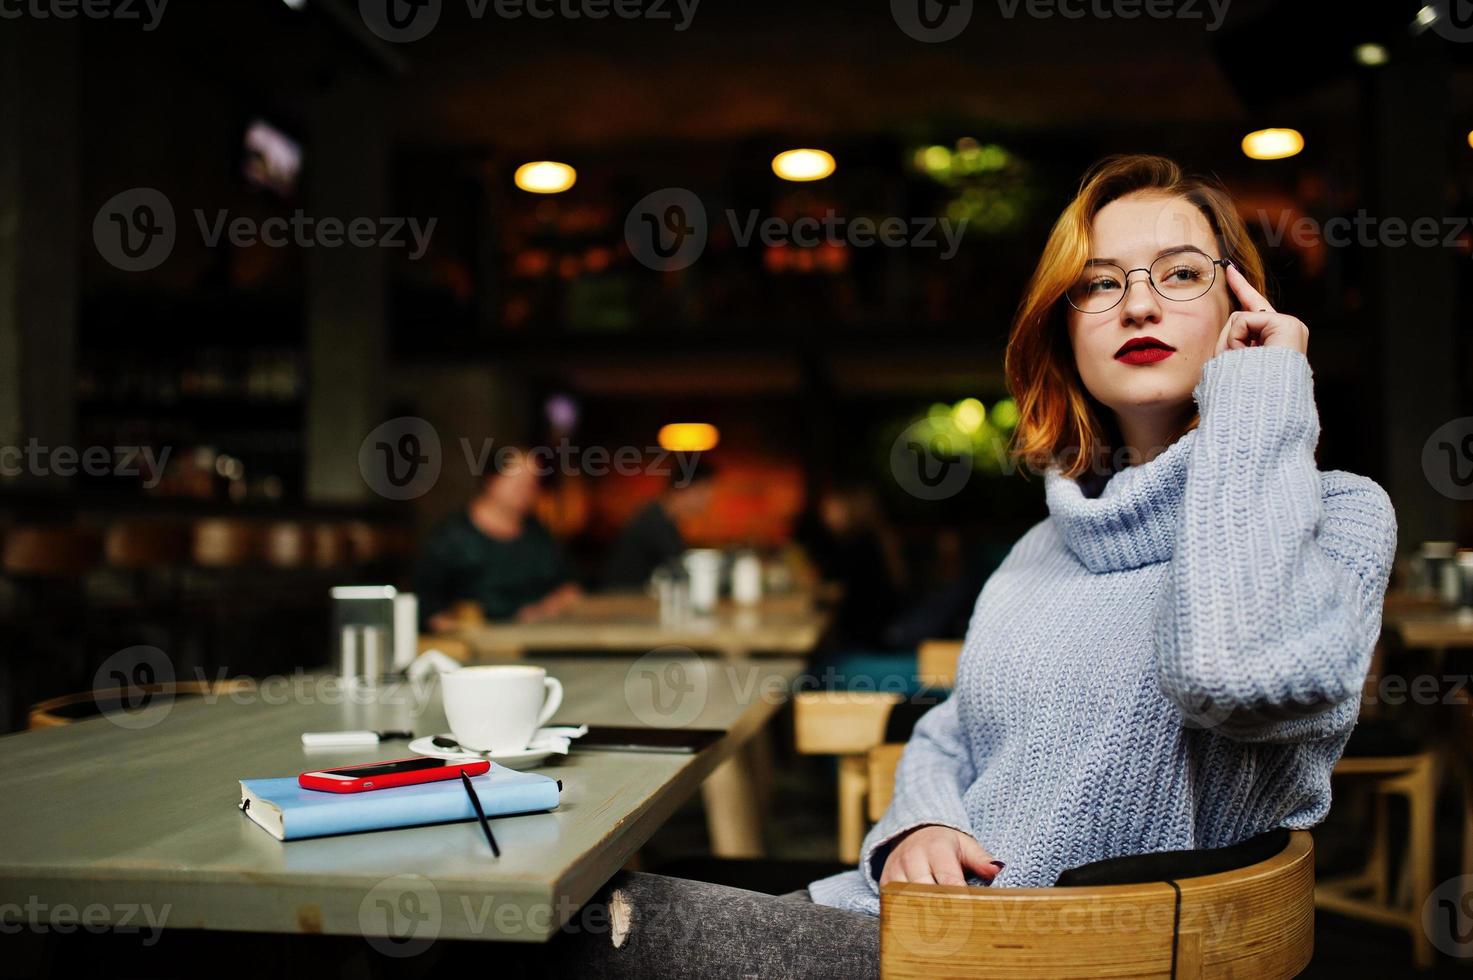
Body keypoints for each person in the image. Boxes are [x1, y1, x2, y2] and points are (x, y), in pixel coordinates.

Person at [537, 154, 1398, 978]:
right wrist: (920, 826)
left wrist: (1259, 393)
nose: (1137, 306)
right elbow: (951, 731)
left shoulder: (1340, 515)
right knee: (576, 910)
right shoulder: (1047, 544)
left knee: (561, 937)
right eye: (1100, 284)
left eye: (1179, 275)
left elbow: (1232, 674)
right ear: (1065, 329)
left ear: (1240, 308)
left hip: (1053, 955)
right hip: (930, 921)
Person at [413, 447, 582, 631]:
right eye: (517, 480)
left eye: (532, 482)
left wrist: (548, 606)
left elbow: (568, 584)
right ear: (492, 479)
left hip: (535, 638)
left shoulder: (539, 535)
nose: (525, 489)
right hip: (472, 646)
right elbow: (426, 605)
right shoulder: (451, 537)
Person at [601, 455, 717, 590]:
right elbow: (679, 569)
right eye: (702, 493)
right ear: (685, 489)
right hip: (622, 600)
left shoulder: (661, 517)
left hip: (634, 599)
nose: (706, 503)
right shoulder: (653, 522)